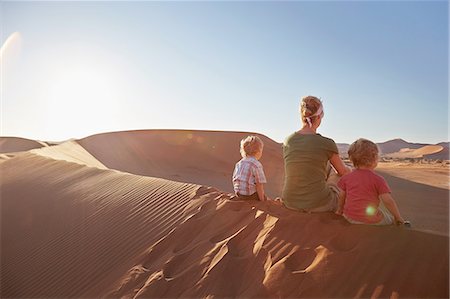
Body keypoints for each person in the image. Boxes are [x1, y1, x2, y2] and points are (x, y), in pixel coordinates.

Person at [282, 95, 351, 212]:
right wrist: (350, 169)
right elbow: (342, 172)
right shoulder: (326, 143)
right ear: (319, 117)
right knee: (340, 174)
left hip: (290, 202)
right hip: (319, 203)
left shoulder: (288, 141)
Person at [336, 138, 409, 226]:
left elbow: (341, 196)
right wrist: (398, 217)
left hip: (348, 218)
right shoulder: (378, 180)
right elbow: (388, 201)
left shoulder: (346, 178)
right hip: (370, 220)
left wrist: (339, 211)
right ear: (375, 158)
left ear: (352, 159)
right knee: (390, 219)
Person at [232, 135, 269, 201]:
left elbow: (235, 179)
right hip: (250, 196)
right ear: (258, 151)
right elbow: (259, 185)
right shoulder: (256, 164)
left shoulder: (239, 163)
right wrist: (262, 200)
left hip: (239, 194)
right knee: (266, 199)